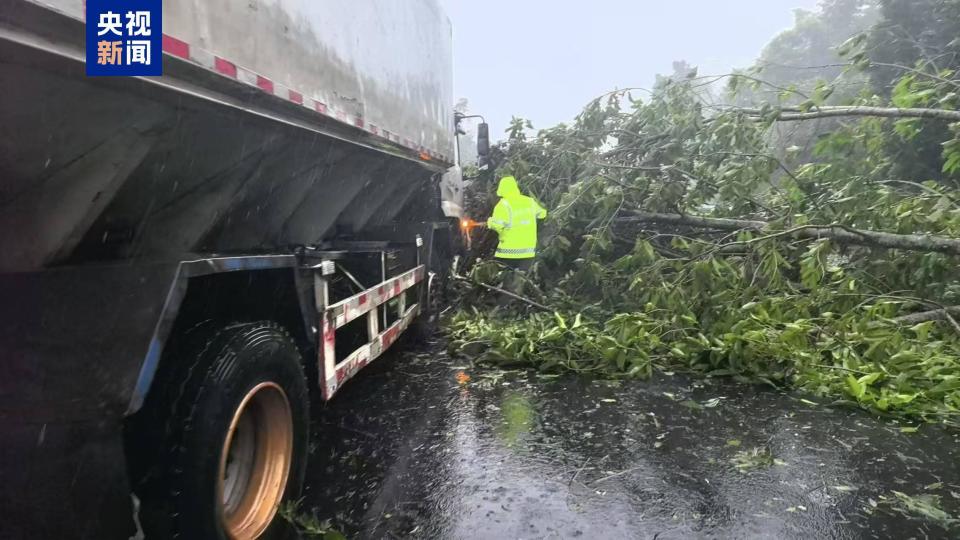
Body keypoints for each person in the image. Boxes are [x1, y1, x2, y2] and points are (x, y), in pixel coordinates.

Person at [486, 175, 547, 294]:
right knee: (523, 280)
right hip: (528, 250)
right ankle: (522, 298)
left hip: (508, 252)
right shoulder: (529, 201)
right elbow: (542, 214)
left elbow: (498, 225)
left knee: (505, 279)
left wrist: (489, 222)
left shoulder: (503, 205)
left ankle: (507, 300)